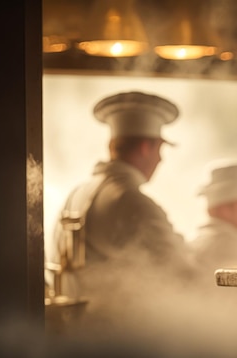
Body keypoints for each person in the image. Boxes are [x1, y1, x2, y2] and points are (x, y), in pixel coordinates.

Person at [44, 91, 189, 307]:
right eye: (159, 148)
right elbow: (181, 272)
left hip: (72, 332)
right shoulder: (132, 203)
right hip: (117, 335)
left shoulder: (76, 194)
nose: (161, 159)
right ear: (145, 147)